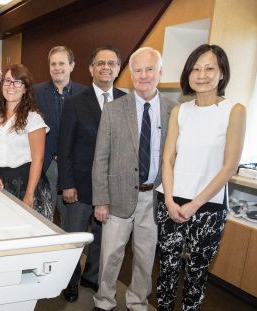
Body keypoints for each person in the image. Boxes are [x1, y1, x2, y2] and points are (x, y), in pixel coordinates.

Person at [155, 44, 245, 311]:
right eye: (195, 68)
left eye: (209, 68)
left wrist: (194, 205)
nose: (201, 74)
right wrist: (169, 200)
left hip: (208, 206)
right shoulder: (180, 110)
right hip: (170, 200)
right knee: (167, 271)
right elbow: (168, 158)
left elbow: (230, 167)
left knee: (196, 275)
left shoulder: (234, 110)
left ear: (222, 73)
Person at [91, 47, 177, 311]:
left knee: (145, 257)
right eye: (137, 70)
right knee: (110, 256)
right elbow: (101, 158)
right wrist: (101, 200)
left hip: (154, 198)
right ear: (130, 75)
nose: (143, 75)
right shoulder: (114, 109)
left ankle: (138, 302)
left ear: (159, 73)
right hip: (117, 197)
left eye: (149, 69)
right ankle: (104, 301)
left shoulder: (174, 111)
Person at [57, 45, 126, 302]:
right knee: (74, 239)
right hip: (80, 185)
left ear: (118, 68)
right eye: (100, 63)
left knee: (102, 240)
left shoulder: (125, 101)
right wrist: (67, 184)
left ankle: (91, 276)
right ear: (90, 69)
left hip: (111, 188)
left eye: (111, 63)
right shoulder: (75, 102)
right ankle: (71, 280)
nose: (105, 67)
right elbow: (64, 147)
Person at [0, 64, 53, 220]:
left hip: (25, 182)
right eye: (7, 81)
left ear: (25, 88)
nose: (11, 86)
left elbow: (38, 160)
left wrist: (29, 194)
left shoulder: (33, 118)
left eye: (17, 82)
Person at [33, 46, 85, 215]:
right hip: (46, 166)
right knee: (42, 218)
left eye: (61, 63)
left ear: (72, 65)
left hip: (74, 169)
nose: (57, 68)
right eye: (53, 64)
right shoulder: (35, 93)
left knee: (72, 225)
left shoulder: (86, 94)